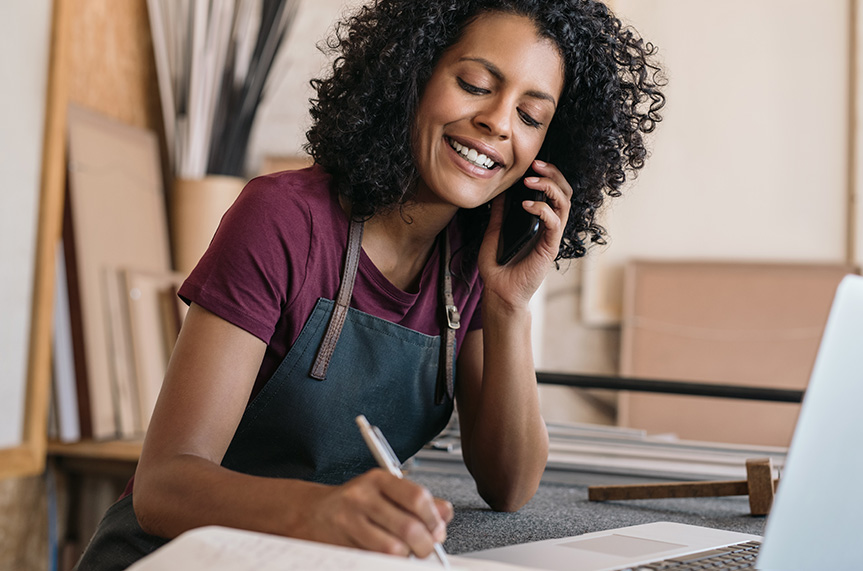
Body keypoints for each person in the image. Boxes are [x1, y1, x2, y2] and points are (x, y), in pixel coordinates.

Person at [74, 0, 664, 568]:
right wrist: (322, 512)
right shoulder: (283, 220)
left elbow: (509, 484)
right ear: (412, 71)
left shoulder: (469, 263)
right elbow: (163, 486)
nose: (497, 122)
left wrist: (510, 305)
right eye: (476, 84)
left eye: (531, 116)